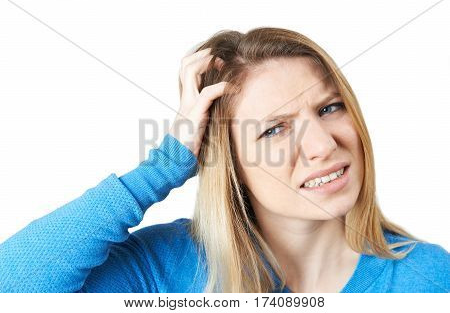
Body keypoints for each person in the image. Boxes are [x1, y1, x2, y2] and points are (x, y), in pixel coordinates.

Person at [0, 27, 448, 293]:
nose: (322, 145)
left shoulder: (425, 278)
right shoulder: (167, 269)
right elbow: (13, 288)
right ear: (228, 160)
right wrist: (162, 168)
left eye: (329, 108)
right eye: (275, 128)